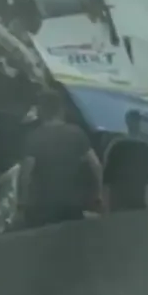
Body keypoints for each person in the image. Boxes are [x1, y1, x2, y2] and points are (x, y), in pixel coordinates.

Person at [18, 90, 105, 227]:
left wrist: (23, 201)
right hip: (73, 203)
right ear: (60, 110)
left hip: (45, 206)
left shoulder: (34, 137)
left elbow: (26, 174)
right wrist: (99, 193)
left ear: (42, 111)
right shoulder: (76, 133)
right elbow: (96, 165)